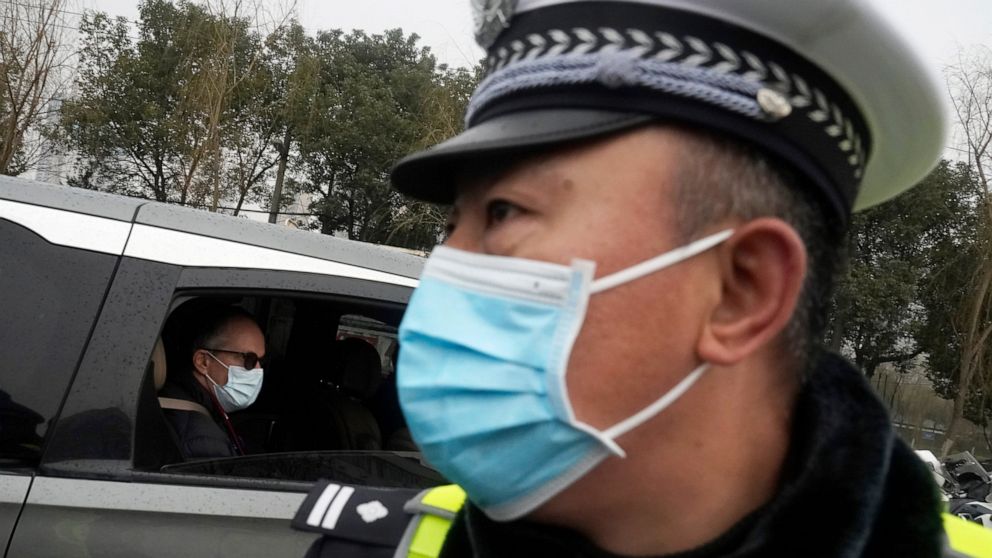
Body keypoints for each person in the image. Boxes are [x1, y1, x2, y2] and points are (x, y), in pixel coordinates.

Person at [293, 0, 992, 556]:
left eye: (504, 212)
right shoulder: (376, 544)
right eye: (452, 226)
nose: (447, 268)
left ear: (741, 290)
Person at [160, 302, 265, 459]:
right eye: (249, 360)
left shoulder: (179, 393)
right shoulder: (206, 443)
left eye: (261, 360)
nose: (258, 369)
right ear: (203, 362)